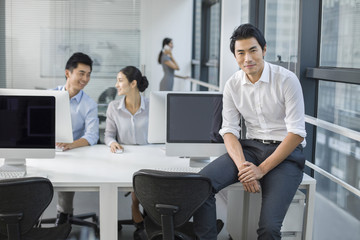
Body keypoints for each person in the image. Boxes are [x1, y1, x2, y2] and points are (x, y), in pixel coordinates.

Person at [193, 23, 307, 240]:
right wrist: (243, 168)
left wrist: (260, 170)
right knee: (201, 186)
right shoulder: (232, 85)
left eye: (253, 50)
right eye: (241, 53)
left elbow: (296, 133)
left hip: (286, 153)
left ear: (264, 49)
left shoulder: (287, 80)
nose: (248, 58)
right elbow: (229, 130)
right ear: (235, 56)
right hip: (251, 149)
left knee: (269, 228)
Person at [104, 66, 149, 238]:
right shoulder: (114, 107)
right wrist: (113, 142)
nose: (116, 85)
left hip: (149, 156)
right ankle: (134, 206)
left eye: (120, 80)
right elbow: (108, 135)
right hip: (124, 157)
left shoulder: (152, 105)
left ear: (133, 83)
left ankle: (146, 214)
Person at [54, 52, 99, 225]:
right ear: (68, 73)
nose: (85, 78)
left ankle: (64, 216)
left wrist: (71, 145)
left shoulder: (89, 104)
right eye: (81, 73)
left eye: (88, 75)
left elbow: (93, 135)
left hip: (72, 153)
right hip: (48, 149)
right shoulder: (50, 96)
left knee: (66, 173)